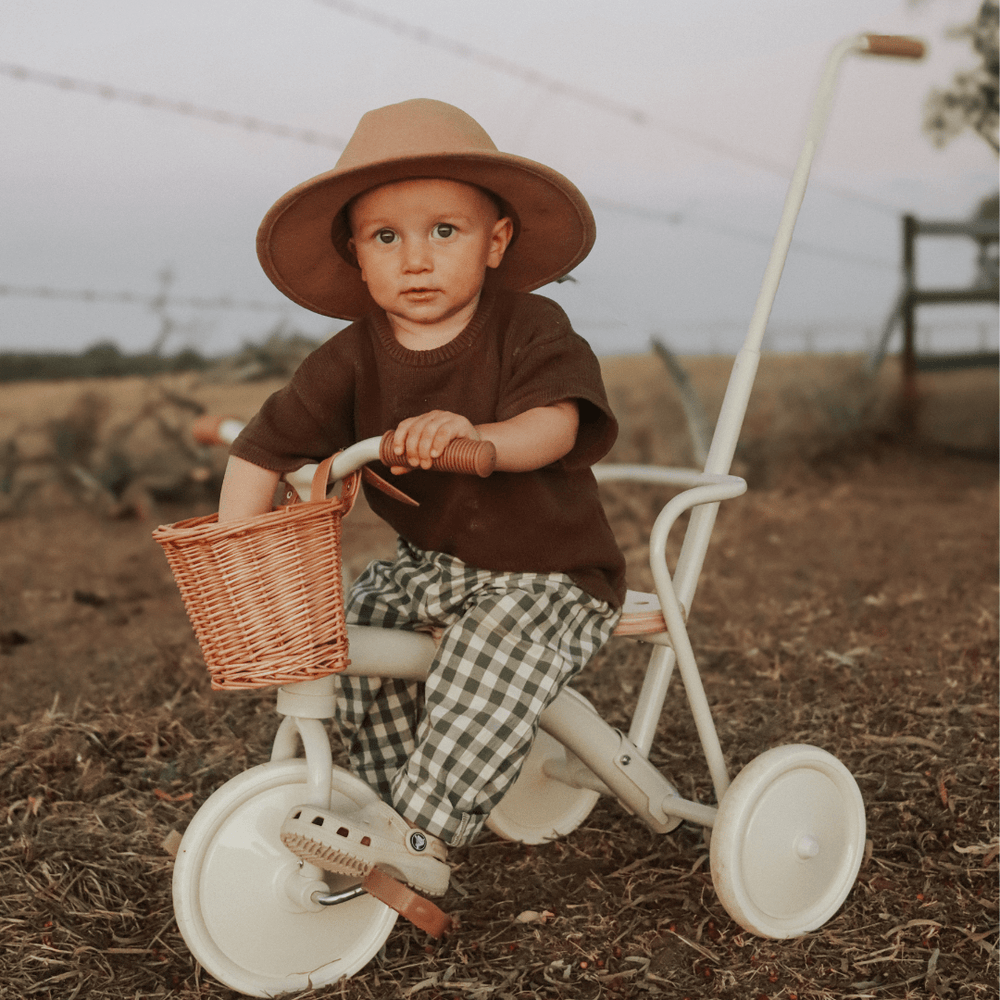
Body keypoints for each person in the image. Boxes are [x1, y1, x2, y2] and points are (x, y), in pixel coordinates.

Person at [219, 98, 626, 897]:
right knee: (357, 630)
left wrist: (480, 437)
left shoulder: (531, 325)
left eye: (445, 231)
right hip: (434, 568)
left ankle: (423, 831)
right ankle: (371, 797)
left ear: (496, 241)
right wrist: (241, 552)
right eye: (386, 237)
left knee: (487, 659)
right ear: (356, 256)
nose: (416, 260)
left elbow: (555, 423)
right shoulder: (349, 357)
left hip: (549, 575)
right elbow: (262, 448)